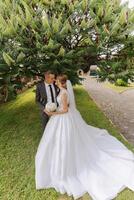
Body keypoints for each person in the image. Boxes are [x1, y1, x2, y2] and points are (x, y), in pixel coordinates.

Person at [35, 74, 134, 200]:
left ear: (62, 83)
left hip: (63, 117)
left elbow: (65, 110)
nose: (55, 82)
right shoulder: (62, 91)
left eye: (57, 81)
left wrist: (52, 113)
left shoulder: (64, 93)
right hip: (61, 117)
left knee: (66, 140)